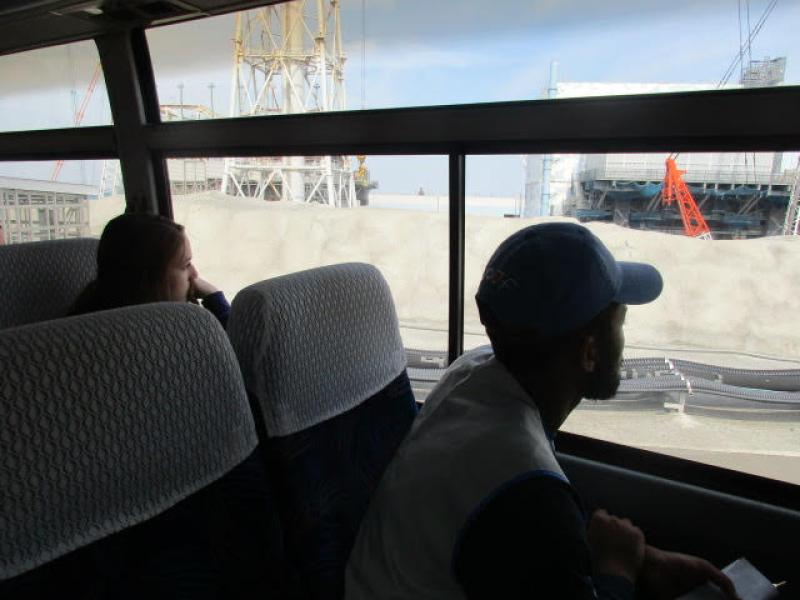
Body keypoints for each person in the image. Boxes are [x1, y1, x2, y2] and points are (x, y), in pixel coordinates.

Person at [345, 223, 739, 600]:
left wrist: (642, 563)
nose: (624, 341)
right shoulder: (526, 488)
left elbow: (516, 540)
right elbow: (527, 519)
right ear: (589, 352)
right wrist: (617, 570)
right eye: (621, 324)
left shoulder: (471, 373)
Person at [70, 213, 230, 327]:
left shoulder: (86, 323)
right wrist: (215, 301)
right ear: (150, 278)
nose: (194, 274)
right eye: (185, 265)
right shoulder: (168, 332)